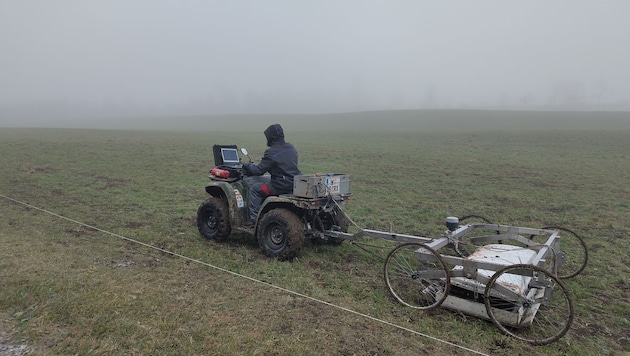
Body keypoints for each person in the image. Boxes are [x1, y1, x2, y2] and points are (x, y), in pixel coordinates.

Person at [241, 124, 301, 227]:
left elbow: (258, 171)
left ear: (271, 137)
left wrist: (248, 166)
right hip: (295, 183)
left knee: (255, 189)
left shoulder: (271, 152)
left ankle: (254, 219)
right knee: (266, 180)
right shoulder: (291, 148)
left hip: (279, 186)